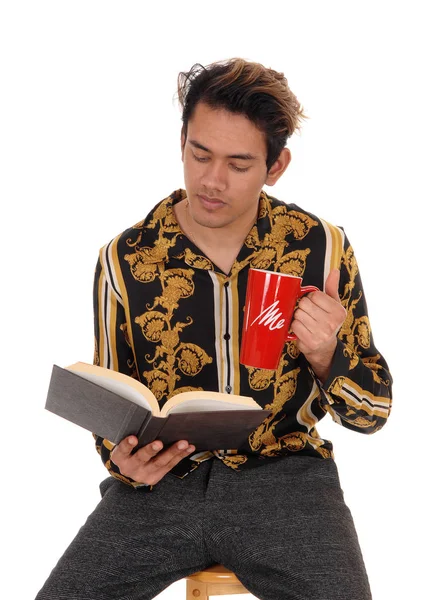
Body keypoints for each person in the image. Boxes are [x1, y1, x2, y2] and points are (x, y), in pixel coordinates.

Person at [37, 58, 392, 600]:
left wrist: (328, 356)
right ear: (182, 141)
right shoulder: (124, 259)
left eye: (239, 163)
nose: (211, 180)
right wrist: (122, 460)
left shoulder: (321, 249)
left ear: (277, 166)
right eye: (200, 153)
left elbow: (373, 414)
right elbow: (109, 405)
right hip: (160, 486)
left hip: (288, 482)